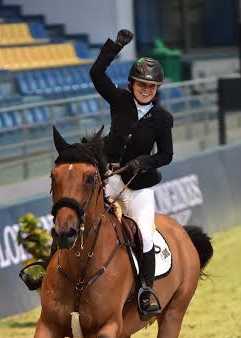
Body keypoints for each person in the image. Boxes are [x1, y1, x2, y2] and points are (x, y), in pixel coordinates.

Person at [89, 29, 174, 317]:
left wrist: (145, 162)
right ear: (132, 83)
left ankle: (146, 291)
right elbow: (96, 74)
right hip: (108, 178)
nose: (146, 89)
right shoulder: (120, 100)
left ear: (157, 89)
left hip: (137, 186)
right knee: (79, 215)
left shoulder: (162, 119)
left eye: (152, 86)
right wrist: (115, 46)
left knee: (146, 235)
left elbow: (166, 155)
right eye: (141, 84)